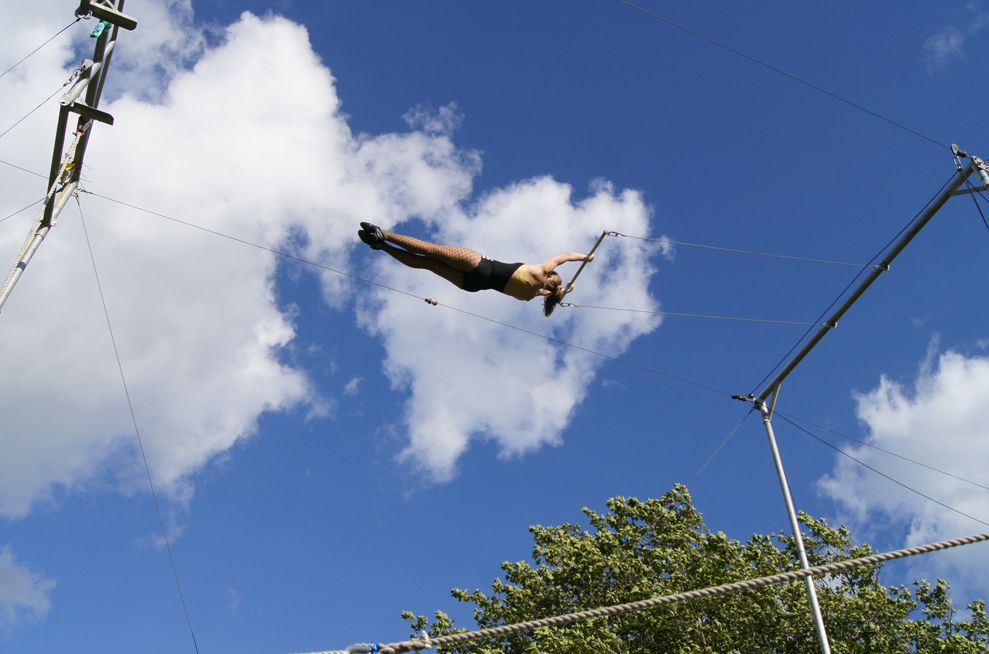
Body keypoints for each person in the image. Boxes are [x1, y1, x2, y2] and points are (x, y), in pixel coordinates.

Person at [357, 222, 594, 316]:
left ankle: (384, 233)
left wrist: (585, 257)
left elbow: (565, 256)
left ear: (551, 275)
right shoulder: (531, 294)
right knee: (425, 264)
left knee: (429, 250)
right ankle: (382, 246)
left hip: (478, 264)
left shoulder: (541, 270)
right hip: (472, 285)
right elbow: (552, 293)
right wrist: (566, 291)